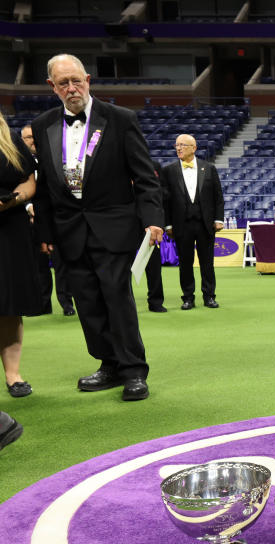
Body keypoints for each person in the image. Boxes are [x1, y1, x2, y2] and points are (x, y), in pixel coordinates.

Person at [31, 53, 163, 400]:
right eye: (63, 83)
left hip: (114, 229)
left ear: (88, 79)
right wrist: (44, 234)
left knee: (117, 300)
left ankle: (134, 370)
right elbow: (44, 187)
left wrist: (153, 220)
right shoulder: (44, 124)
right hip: (69, 232)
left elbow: (145, 178)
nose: (71, 88)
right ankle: (109, 365)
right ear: (52, 87)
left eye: (77, 80)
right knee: (88, 304)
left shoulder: (120, 119)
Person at [0, 112, 40, 398]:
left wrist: (14, 199)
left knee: (9, 304)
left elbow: (29, 182)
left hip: (9, 229)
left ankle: (13, 376)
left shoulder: (11, 139)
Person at [159, 134, 224, 310]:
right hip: (181, 225)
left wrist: (219, 219)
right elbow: (165, 201)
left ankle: (209, 296)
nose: (178, 148)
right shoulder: (169, 170)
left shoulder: (209, 168)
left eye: (183, 145)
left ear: (193, 148)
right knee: (185, 264)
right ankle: (188, 297)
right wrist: (168, 225)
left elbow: (218, 197)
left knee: (207, 263)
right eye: (176, 145)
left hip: (206, 224)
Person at [21, 124, 74, 316]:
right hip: (28, 225)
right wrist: (28, 207)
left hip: (55, 221)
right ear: (22, 141)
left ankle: (67, 304)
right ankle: (43, 304)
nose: (32, 140)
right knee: (38, 267)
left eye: (34, 136)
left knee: (62, 265)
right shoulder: (18, 164)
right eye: (27, 138)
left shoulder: (53, 160)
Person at [144, 159, 166, 313]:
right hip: (126, 221)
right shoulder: (120, 164)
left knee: (154, 265)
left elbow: (165, 191)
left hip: (150, 222)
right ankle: (122, 302)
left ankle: (156, 302)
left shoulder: (154, 166)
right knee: (122, 266)